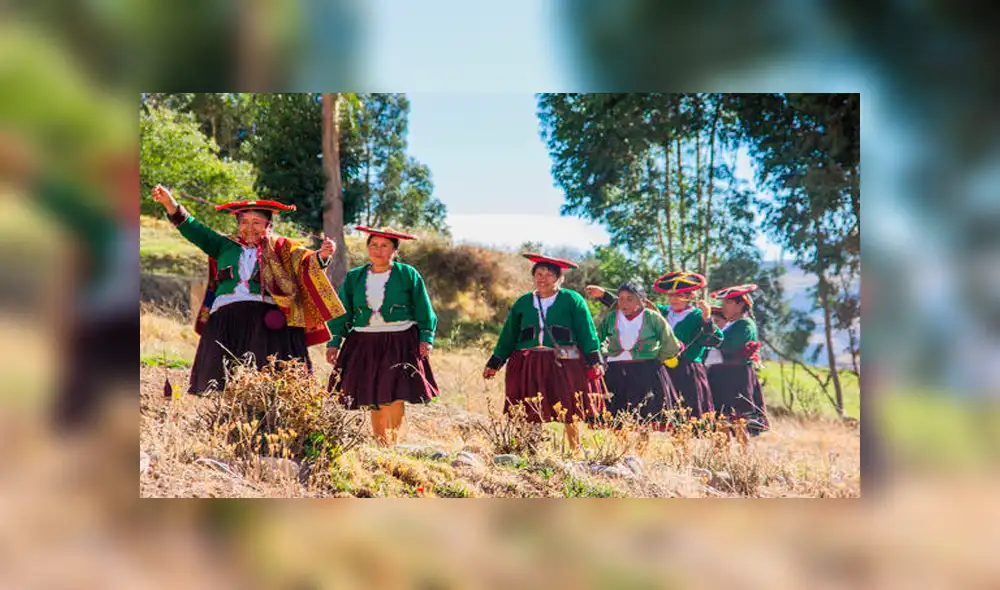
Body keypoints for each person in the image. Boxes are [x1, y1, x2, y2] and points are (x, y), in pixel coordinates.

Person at [150, 185, 345, 394]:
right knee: (221, 383)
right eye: (244, 222)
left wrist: (323, 255)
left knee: (268, 383)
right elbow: (194, 229)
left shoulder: (283, 247)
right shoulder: (223, 245)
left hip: (266, 323)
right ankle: (226, 423)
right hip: (224, 320)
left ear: (268, 224)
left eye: (256, 223)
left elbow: (306, 260)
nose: (249, 228)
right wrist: (169, 203)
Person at [325, 226, 439, 446]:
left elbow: (423, 308)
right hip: (363, 341)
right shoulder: (354, 277)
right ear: (368, 247)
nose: (378, 250)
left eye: (385, 245)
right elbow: (342, 312)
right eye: (374, 245)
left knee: (395, 392)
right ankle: (380, 443)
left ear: (394, 250)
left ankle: (392, 442)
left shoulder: (408, 274)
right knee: (373, 393)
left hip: (399, 339)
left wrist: (426, 337)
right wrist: (335, 341)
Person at [483, 253, 605, 452]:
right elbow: (508, 335)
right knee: (530, 403)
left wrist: (594, 359)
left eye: (549, 275)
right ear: (533, 276)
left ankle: (575, 450)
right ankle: (528, 448)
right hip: (529, 360)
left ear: (559, 278)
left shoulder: (572, 299)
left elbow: (586, 330)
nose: (543, 278)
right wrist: (495, 362)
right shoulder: (523, 302)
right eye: (539, 274)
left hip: (564, 359)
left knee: (569, 403)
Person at [585, 270, 723, 419]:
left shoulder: (697, 315)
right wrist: (603, 295)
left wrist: (707, 319)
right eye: (671, 295)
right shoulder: (660, 311)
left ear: (690, 297)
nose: (674, 299)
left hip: (687, 371)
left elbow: (716, 340)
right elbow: (630, 305)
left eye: (679, 295)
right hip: (660, 369)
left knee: (692, 416)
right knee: (659, 415)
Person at [596, 280, 684, 429]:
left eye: (630, 299)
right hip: (616, 372)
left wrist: (656, 359)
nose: (624, 303)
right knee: (617, 418)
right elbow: (598, 339)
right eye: (621, 298)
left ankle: (641, 450)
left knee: (644, 418)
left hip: (645, 372)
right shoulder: (611, 318)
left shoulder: (652, 318)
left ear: (642, 300)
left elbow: (671, 345)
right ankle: (622, 450)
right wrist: (605, 355)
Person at [705, 283, 769, 434]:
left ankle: (743, 454)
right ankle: (721, 454)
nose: (723, 306)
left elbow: (728, 344)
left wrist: (710, 336)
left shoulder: (745, 324)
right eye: (723, 302)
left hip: (736, 377)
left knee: (739, 419)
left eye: (728, 302)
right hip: (722, 375)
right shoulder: (731, 324)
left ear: (740, 305)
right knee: (722, 419)